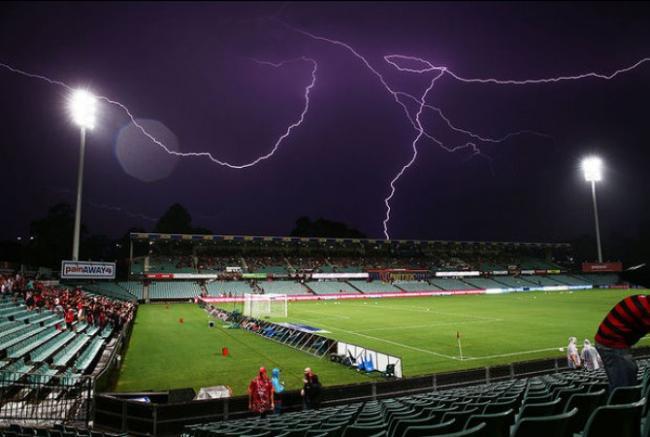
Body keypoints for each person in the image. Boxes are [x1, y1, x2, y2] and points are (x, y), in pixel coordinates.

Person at [595, 294, 650, 390]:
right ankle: (622, 403)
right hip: (611, 344)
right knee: (624, 384)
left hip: (611, 341)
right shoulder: (646, 311)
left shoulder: (641, 299)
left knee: (630, 372)